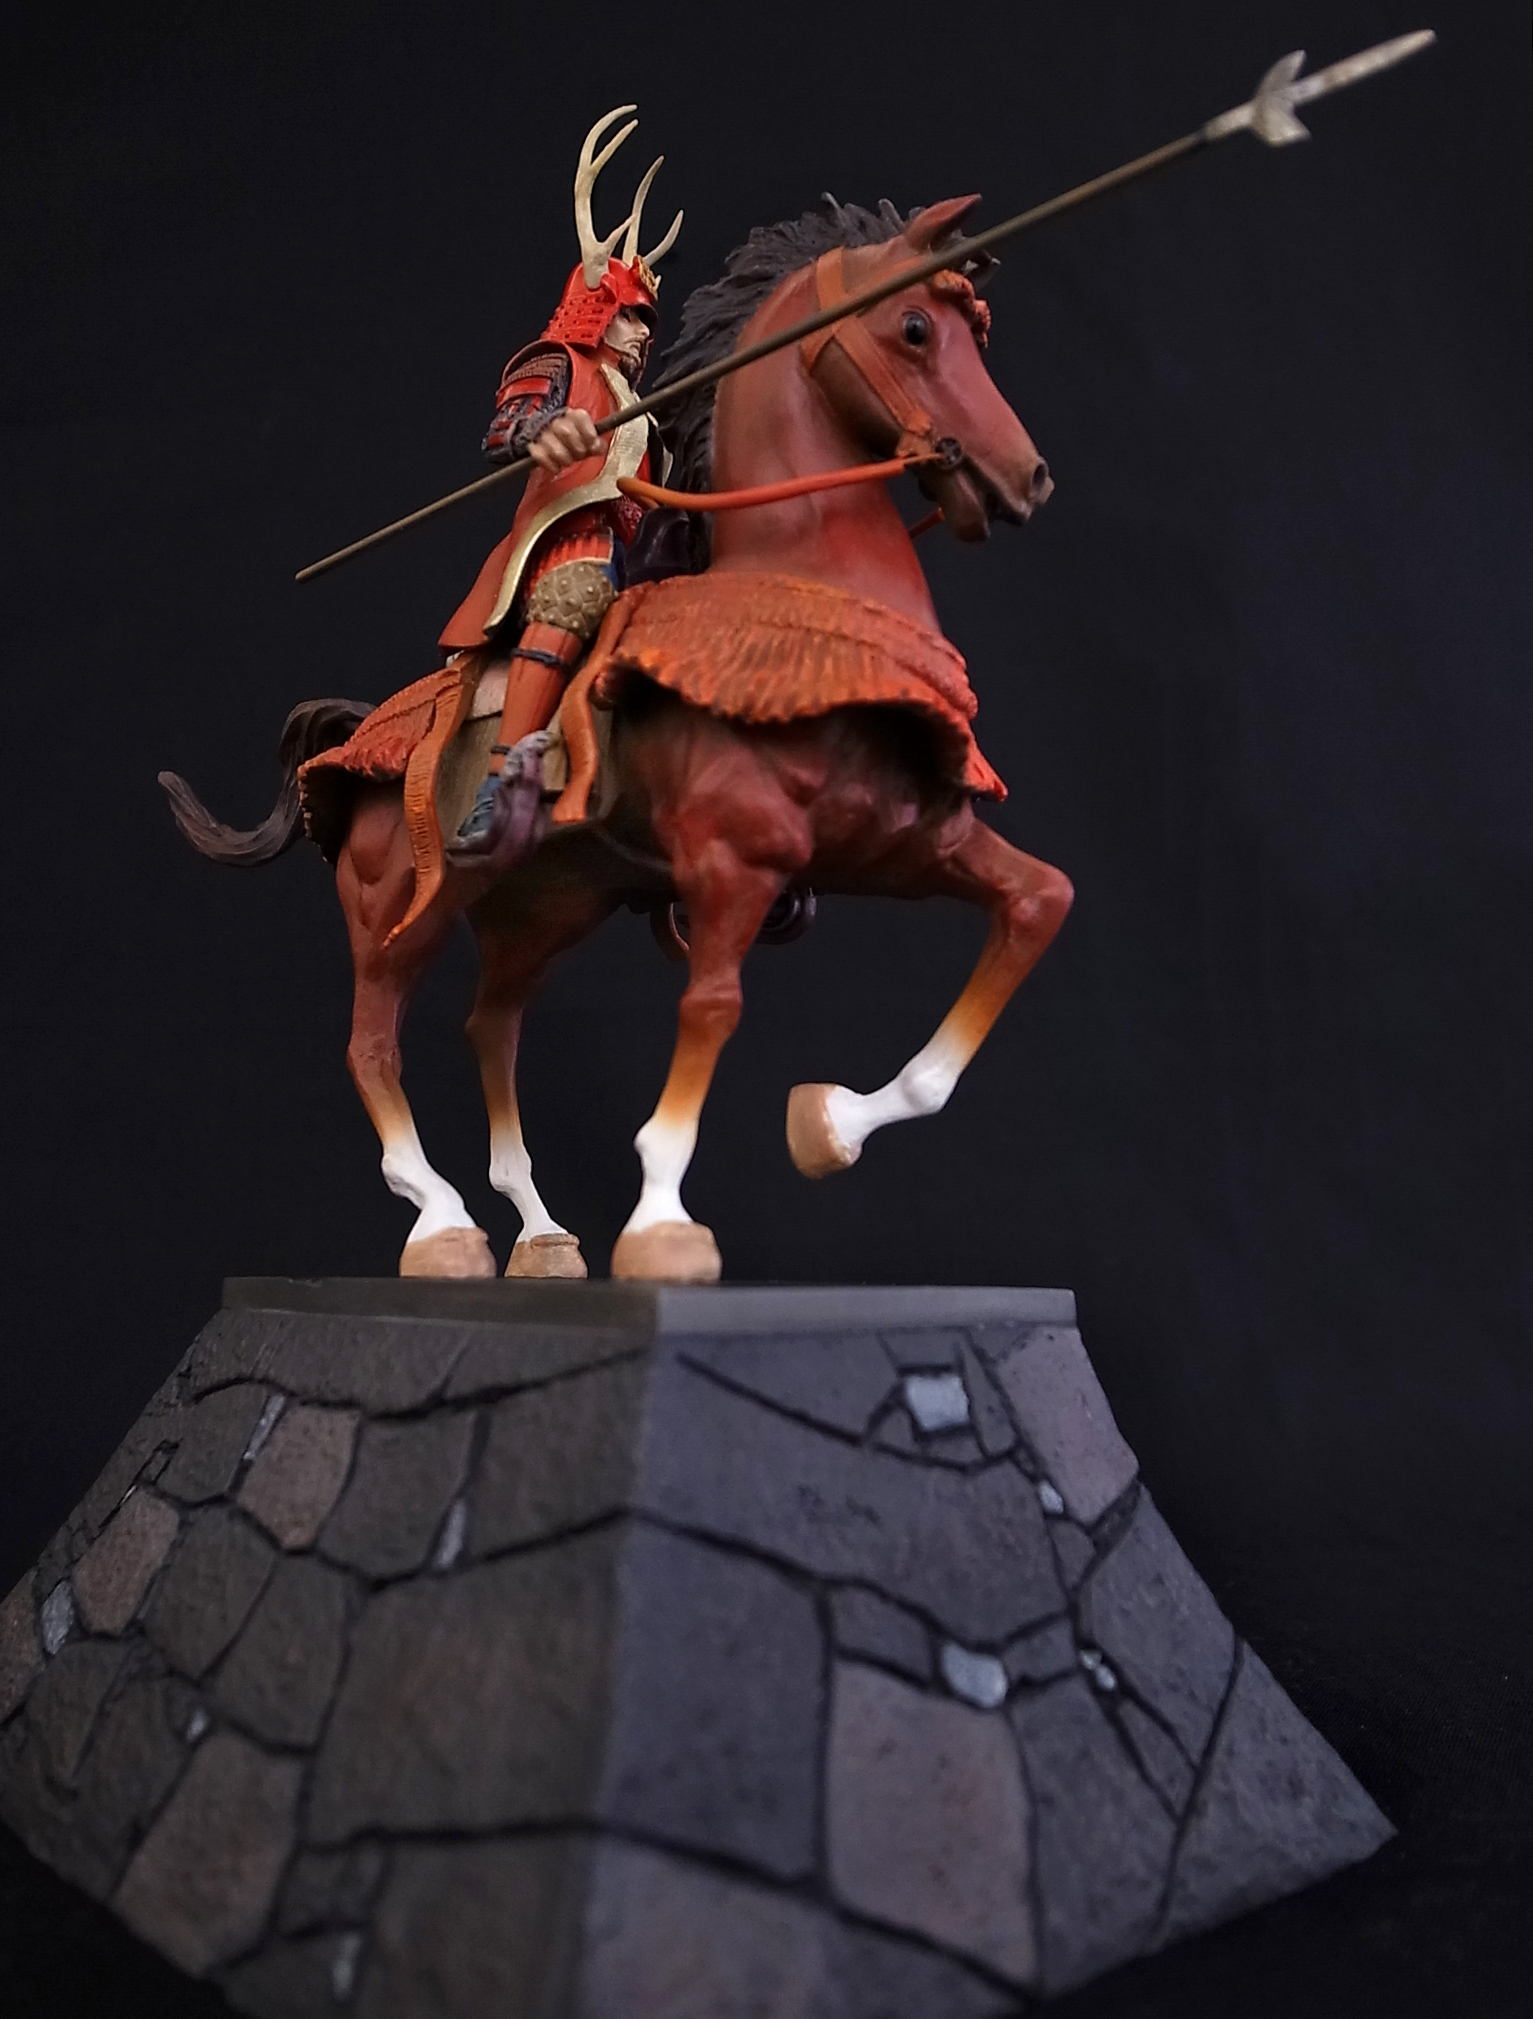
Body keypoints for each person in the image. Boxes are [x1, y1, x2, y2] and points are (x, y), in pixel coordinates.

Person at [444, 106, 680, 864]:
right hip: (568, 538)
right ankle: (500, 780)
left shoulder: (644, 406)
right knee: (577, 590)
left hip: (641, 556)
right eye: (633, 317)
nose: (645, 334)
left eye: (649, 322)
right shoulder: (558, 363)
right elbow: (507, 426)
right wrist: (542, 431)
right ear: (599, 310)